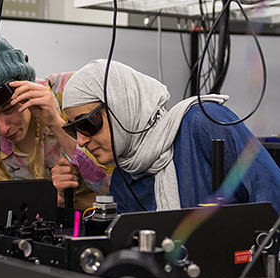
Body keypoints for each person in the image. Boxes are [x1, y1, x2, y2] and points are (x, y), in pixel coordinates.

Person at [54, 59, 280, 214]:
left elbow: (272, 196)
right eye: (74, 130)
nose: (81, 141)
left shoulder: (202, 122)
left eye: (87, 124)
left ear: (121, 106)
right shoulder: (125, 178)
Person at [0, 27, 112, 209]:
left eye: (8, 110)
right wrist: (48, 201)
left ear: (27, 88)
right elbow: (4, 201)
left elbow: (114, 187)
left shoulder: (73, 95)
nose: (3, 128)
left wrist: (55, 123)